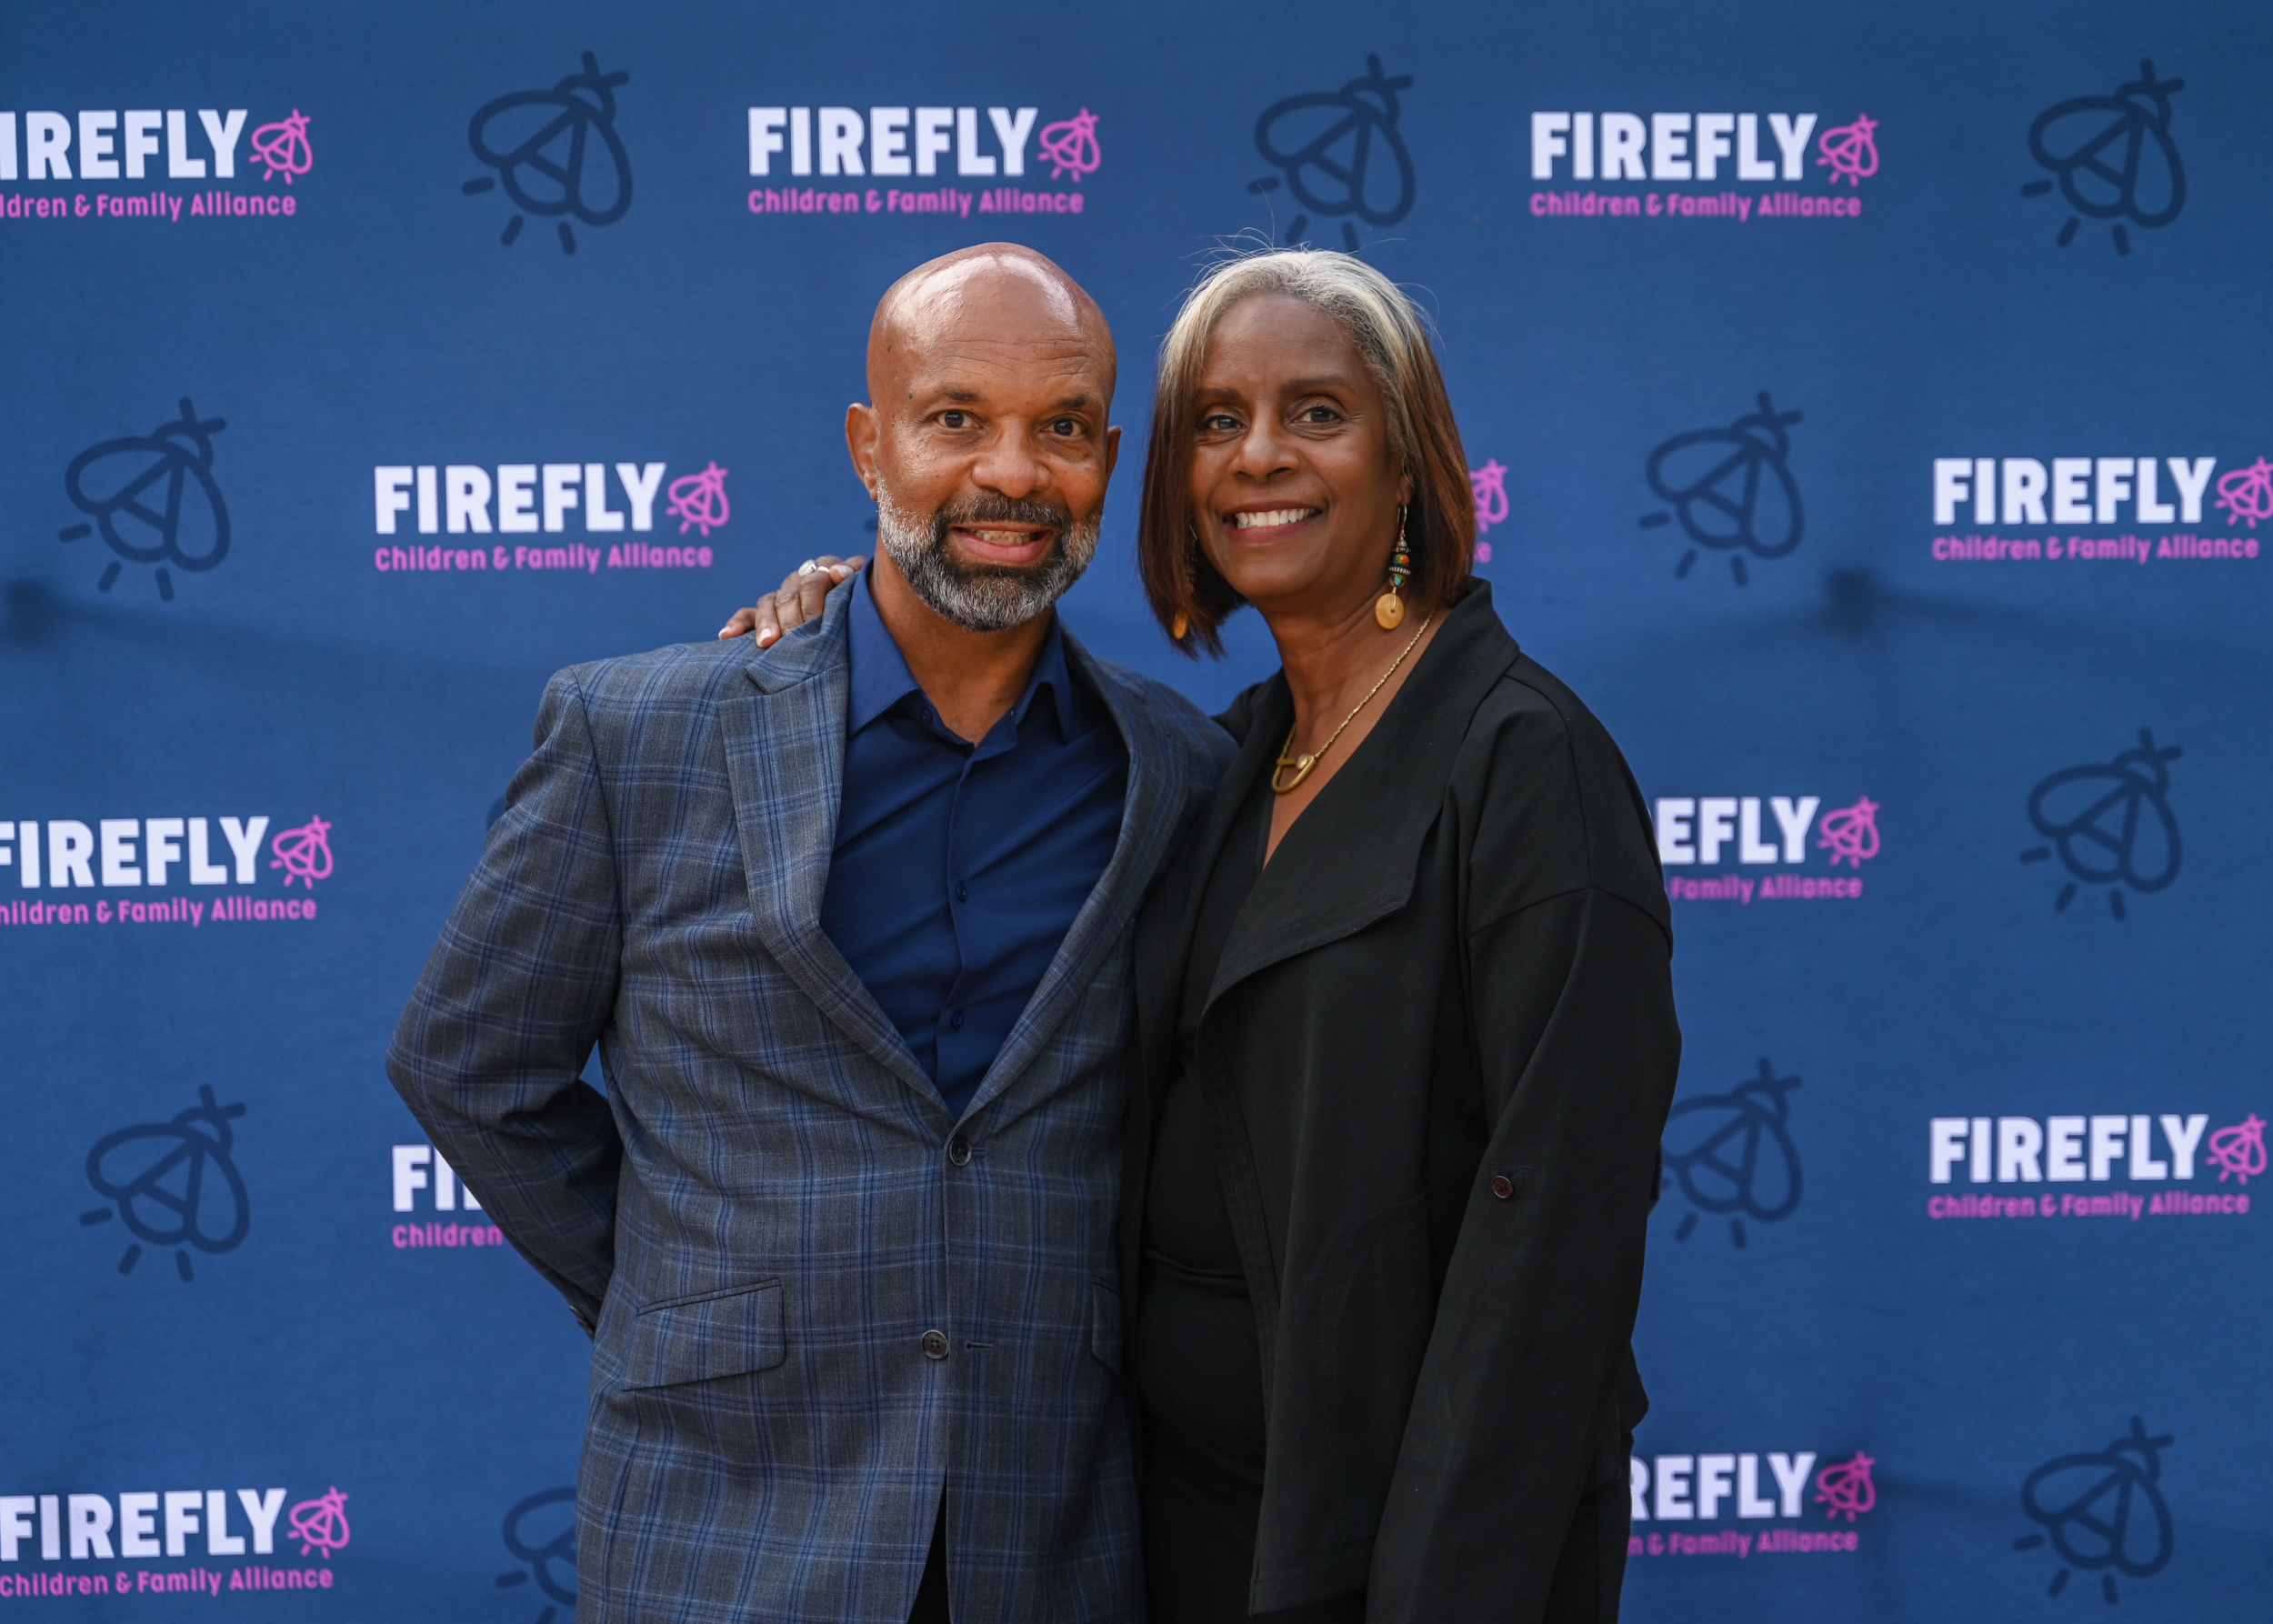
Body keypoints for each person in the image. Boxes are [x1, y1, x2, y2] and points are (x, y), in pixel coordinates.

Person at [736, 249, 1678, 1624]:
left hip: (1395, 1557)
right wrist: (846, 610)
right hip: (1164, 1537)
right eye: (1219, 421)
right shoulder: (1214, 762)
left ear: (1408, 461)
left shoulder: (1526, 764)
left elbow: (1556, 1244)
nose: (1260, 456)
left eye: (1317, 412)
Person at [388, 244, 1230, 1624]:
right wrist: (683, 1296)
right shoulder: (641, 734)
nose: (1012, 472)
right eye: (956, 417)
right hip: (726, 1526)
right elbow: (467, 1065)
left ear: (1109, 459)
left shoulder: (1178, 772)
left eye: (1063, 427)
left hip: (1056, 1532)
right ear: (869, 444)